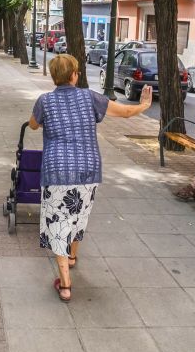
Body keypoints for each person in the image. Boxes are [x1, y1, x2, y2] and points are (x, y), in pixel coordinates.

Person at [29, 54, 152, 302]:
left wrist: (43, 123)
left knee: (58, 224)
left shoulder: (45, 101)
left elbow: (33, 125)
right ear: (74, 74)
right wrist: (143, 106)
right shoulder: (90, 98)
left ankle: (65, 283)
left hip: (58, 171)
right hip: (87, 170)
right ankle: (72, 257)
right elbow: (126, 113)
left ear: (54, 76)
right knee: (78, 216)